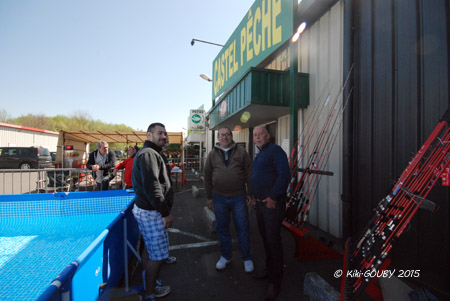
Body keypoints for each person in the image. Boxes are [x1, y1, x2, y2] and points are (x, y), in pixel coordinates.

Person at [132, 123, 173, 300]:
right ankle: (149, 292)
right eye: (159, 133)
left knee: (150, 249)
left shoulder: (153, 153)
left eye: (164, 133)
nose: (163, 136)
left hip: (150, 211)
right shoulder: (148, 154)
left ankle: (148, 281)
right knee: (157, 256)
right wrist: (165, 213)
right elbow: (153, 187)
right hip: (152, 212)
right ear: (149, 136)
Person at [204, 126, 254, 273]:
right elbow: (207, 175)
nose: (224, 137)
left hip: (239, 197)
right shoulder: (212, 154)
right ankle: (226, 256)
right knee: (222, 229)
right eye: (221, 135)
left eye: (227, 134)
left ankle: (247, 258)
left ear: (231, 136)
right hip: (219, 198)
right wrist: (209, 197)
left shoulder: (242, 152)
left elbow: (250, 174)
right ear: (218, 138)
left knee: (243, 228)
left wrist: (250, 194)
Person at [249, 126, 290, 300]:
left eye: (260, 134)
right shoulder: (260, 154)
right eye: (255, 135)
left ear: (268, 136)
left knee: (273, 241)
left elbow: (284, 175)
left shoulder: (276, 151)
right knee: (265, 239)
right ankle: (268, 269)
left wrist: (273, 197)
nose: (257, 137)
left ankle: (275, 281)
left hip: (272, 206)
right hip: (259, 205)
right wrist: (252, 197)